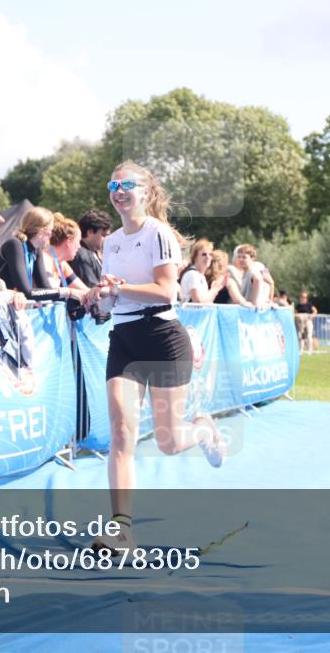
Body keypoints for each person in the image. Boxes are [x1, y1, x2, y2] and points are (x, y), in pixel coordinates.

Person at [81, 160, 226, 554]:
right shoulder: (110, 243)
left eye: (127, 184)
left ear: (145, 192)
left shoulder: (158, 233)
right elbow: (117, 296)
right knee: (122, 431)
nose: (119, 191)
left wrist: (121, 287)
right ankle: (123, 530)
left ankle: (203, 430)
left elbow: (166, 291)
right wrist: (100, 295)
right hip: (124, 338)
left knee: (168, 441)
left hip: (163, 337)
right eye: (113, 184)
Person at [0, 206, 84, 303]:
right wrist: (67, 292)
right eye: (50, 231)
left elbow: (45, 287)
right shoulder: (15, 245)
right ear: (41, 231)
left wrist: (76, 297)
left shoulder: (36, 250)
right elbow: (26, 292)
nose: (51, 235)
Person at [70, 209, 113, 287]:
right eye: (103, 235)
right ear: (90, 232)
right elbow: (91, 287)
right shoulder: (81, 255)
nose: (107, 239)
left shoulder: (91, 253)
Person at [178, 239, 226, 303]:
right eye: (204, 254)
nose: (208, 257)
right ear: (195, 257)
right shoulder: (193, 274)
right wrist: (214, 290)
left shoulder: (200, 276)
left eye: (210, 254)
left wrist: (214, 290)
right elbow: (198, 301)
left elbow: (206, 302)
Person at [295, 290, 318, 354]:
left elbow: (315, 311)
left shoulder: (309, 305)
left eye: (305, 297)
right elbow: (295, 313)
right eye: (302, 297)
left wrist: (311, 316)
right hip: (300, 322)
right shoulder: (298, 306)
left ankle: (309, 350)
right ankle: (301, 349)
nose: (304, 298)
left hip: (308, 320)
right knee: (300, 336)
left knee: (309, 336)